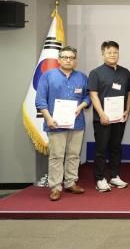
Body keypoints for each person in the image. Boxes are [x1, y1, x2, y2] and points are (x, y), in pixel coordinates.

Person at [35, 46, 91, 201]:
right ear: (59, 59)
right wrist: (48, 118)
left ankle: (70, 182)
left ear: (75, 61)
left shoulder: (82, 77)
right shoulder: (48, 76)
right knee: (56, 156)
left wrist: (81, 106)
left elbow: (88, 97)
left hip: (76, 123)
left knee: (74, 155)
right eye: (65, 57)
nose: (68, 60)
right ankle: (55, 187)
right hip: (55, 123)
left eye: (71, 58)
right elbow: (40, 100)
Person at [87, 41, 130, 192]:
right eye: (109, 52)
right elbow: (93, 95)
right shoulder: (96, 73)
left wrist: (127, 110)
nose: (113, 55)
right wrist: (102, 114)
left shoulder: (125, 72)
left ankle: (114, 176)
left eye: (115, 52)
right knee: (101, 149)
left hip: (119, 118)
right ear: (103, 54)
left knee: (116, 148)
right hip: (102, 119)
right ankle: (100, 179)